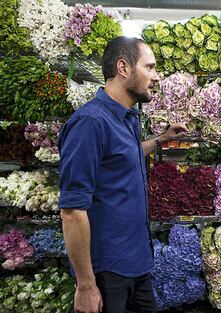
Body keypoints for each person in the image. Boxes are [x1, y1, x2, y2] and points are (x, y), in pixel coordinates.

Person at [58, 36, 188, 313]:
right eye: (150, 67)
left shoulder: (127, 117)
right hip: (108, 272)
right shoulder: (89, 123)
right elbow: (71, 211)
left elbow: (122, 157)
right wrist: (86, 285)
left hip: (137, 260)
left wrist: (160, 139)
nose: (157, 76)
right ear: (123, 68)